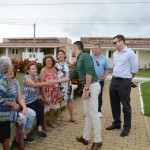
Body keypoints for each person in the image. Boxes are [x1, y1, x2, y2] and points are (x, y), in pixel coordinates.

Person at [51, 41, 102, 150]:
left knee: (93, 113)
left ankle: (98, 141)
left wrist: (87, 89)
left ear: (75, 48)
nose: (71, 50)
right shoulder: (79, 60)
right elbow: (70, 76)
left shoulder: (85, 56)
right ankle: (85, 137)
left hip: (92, 86)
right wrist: (55, 81)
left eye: (72, 48)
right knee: (87, 114)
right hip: (87, 87)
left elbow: (89, 73)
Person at [106, 35, 138, 137]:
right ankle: (116, 123)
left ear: (121, 41)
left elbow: (134, 71)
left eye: (115, 42)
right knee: (114, 104)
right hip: (114, 81)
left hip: (124, 82)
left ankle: (127, 127)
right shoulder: (115, 54)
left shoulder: (130, 53)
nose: (114, 44)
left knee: (126, 106)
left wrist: (127, 79)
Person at [22, 62, 51, 138]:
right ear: (28, 71)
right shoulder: (26, 77)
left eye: (35, 68)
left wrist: (40, 94)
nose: (35, 70)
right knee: (37, 109)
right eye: (33, 69)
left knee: (41, 104)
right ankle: (38, 127)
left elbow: (39, 89)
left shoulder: (37, 78)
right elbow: (33, 85)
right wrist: (45, 83)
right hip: (26, 101)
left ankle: (39, 127)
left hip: (34, 99)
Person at [10, 68, 36, 144]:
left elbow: (20, 97)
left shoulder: (15, 82)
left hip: (18, 106)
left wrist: (24, 108)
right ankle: (19, 138)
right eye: (9, 72)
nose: (11, 73)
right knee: (22, 118)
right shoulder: (2, 83)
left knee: (31, 113)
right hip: (9, 108)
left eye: (12, 71)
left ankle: (24, 135)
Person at [0, 56, 20, 150]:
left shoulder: (5, 78)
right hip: (2, 116)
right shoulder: (3, 80)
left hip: (5, 116)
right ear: (8, 67)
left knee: (5, 136)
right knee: (4, 137)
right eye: (11, 65)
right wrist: (13, 104)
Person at [55, 50, 78, 124]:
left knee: (70, 100)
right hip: (58, 84)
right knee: (59, 101)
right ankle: (59, 116)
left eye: (62, 54)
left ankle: (71, 117)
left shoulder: (68, 64)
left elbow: (70, 73)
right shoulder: (55, 64)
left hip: (68, 84)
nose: (60, 55)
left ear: (64, 55)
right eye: (59, 54)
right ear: (57, 56)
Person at [40, 55, 61, 129]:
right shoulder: (43, 70)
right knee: (46, 109)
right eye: (47, 61)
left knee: (52, 107)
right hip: (47, 92)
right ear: (45, 62)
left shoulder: (54, 70)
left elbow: (57, 82)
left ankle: (50, 122)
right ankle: (44, 124)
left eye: (50, 61)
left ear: (52, 62)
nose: (49, 62)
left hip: (54, 93)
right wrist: (45, 96)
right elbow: (42, 84)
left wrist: (58, 92)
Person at [92, 44, 110, 118]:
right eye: (93, 49)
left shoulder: (104, 59)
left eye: (96, 49)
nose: (94, 50)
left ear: (100, 49)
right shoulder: (90, 58)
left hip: (100, 81)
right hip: (91, 81)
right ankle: (91, 111)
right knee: (90, 96)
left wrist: (105, 76)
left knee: (99, 95)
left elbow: (107, 69)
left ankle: (99, 111)